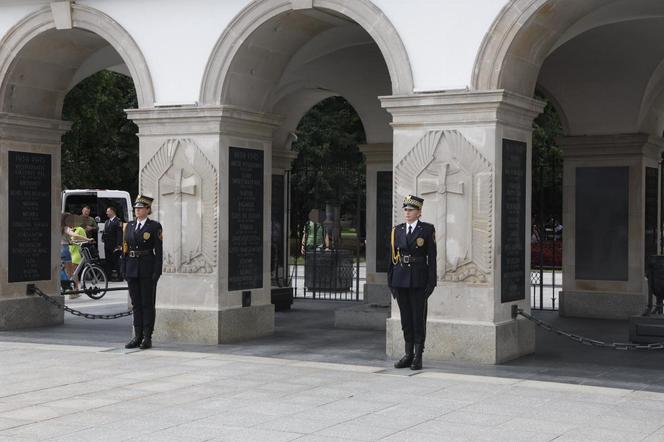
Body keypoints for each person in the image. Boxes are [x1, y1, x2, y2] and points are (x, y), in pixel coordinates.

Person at [387, 195, 437, 370]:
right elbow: (392, 258)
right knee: (406, 319)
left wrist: (431, 283)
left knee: (418, 319)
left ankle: (418, 356)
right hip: (400, 279)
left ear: (419, 212)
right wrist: (391, 281)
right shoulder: (397, 230)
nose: (407, 213)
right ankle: (408, 354)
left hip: (418, 279)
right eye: (405, 210)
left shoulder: (426, 230)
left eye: (411, 210)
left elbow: (432, 258)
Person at [121, 195, 163, 350]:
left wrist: (157, 272)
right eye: (136, 208)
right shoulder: (129, 226)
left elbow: (158, 252)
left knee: (147, 304)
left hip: (147, 268)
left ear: (148, 210)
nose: (137, 211)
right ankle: (137, 336)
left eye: (140, 208)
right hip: (132, 267)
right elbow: (125, 248)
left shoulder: (154, 227)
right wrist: (123, 268)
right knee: (136, 304)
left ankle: (147, 337)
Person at [61, 213, 91, 299]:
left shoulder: (59, 228)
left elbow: (69, 240)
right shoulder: (66, 228)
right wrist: (88, 239)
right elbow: (75, 235)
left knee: (64, 271)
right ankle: (72, 293)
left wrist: (72, 242)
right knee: (71, 273)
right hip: (65, 250)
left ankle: (72, 290)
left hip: (59, 250)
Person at [102, 206, 123, 281]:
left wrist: (118, 245)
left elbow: (119, 234)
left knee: (116, 261)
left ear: (112, 211)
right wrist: (103, 238)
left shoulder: (118, 221)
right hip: (107, 245)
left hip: (115, 245)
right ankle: (108, 277)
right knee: (108, 261)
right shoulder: (107, 221)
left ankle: (120, 277)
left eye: (108, 211)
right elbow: (105, 232)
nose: (106, 213)